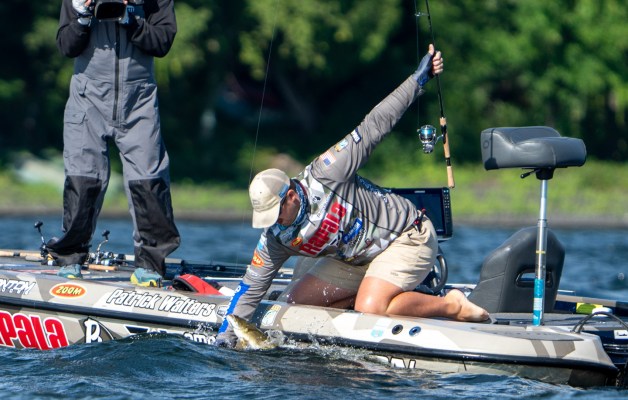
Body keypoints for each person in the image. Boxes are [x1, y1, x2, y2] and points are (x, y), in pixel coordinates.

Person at [217, 45, 489, 346]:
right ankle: (377, 294)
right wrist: (225, 337)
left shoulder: (328, 172)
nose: (274, 222)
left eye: (276, 212)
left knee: (369, 307)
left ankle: (452, 304)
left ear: (291, 195)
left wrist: (418, 79)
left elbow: (375, 125)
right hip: (355, 260)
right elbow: (251, 287)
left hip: (406, 237)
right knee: (293, 306)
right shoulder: (275, 237)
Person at [47, 0, 180, 286]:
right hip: (88, 97)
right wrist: (82, 17)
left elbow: (163, 42)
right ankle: (70, 258)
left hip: (139, 98)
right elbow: (66, 46)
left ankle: (150, 265)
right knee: (84, 179)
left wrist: (131, 18)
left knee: (149, 180)